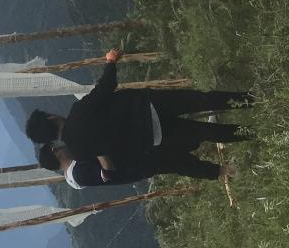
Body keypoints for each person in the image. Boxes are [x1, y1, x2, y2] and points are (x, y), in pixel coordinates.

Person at [25, 49, 251, 181]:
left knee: (206, 132)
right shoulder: (78, 112)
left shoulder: (79, 153)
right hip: (149, 106)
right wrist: (111, 61)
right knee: (201, 100)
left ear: (51, 139)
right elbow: (106, 87)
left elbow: (110, 166)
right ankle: (251, 99)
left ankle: (251, 132)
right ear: (51, 118)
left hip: (153, 138)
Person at [38, 137, 236, 188]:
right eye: (56, 146)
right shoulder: (78, 174)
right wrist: (98, 149)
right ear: (56, 153)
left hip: (136, 161)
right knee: (179, 163)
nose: (61, 145)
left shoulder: (75, 170)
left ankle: (208, 137)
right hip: (136, 165)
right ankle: (226, 170)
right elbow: (107, 173)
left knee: (174, 151)